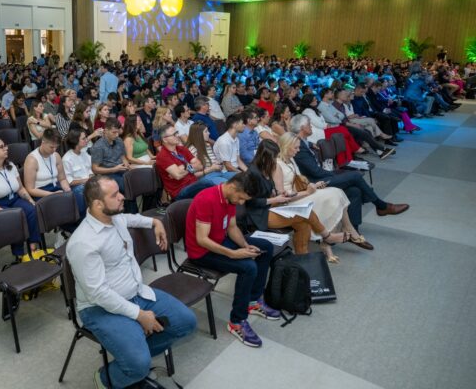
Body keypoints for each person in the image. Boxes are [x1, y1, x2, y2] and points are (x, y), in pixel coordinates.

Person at [66, 175, 197, 389]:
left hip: (136, 294)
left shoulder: (113, 217)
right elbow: (98, 294)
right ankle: (107, 378)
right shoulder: (83, 243)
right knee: (138, 364)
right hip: (100, 308)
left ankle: (135, 355)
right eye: (115, 195)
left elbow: (131, 218)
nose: (123, 197)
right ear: (98, 204)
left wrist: (155, 222)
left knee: (186, 322)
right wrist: (139, 315)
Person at [185, 171, 278, 348]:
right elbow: (202, 240)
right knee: (248, 267)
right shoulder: (206, 199)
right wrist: (233, 254)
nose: (241, 203)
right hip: (202, 252)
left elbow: (232, 227)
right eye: (241, 199)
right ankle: (237, 321)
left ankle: (252, 301)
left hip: (219, 240)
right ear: (233, 187)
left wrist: (244, 245)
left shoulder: (230, 198)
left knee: (265, 247)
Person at [290, 115, 409, 233]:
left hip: (320, 177)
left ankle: (354, 231)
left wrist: (311, 145)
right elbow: (314, 172)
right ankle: (381, 206)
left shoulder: (303, 142)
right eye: (309, 124)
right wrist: (334, 175)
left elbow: (308, 150)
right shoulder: (299, 146)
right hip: (314, 183)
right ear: (302, 128)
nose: (311, 126)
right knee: (355, 176)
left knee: (354, 191)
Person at [247, 139, 351, 263]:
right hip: (260, 215)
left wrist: (278, 194)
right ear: (265, 157)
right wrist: (275, 198)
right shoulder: (252, 173)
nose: (275, 161)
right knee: (305, 213)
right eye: (273, 157)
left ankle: (302, 258)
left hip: (271, 208)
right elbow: (252, 202)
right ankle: (327, 237)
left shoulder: (264, 169)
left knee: (304, 223)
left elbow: (268, 192)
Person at [277, 132, 373, 259]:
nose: (298, 150)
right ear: (286, 146)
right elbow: (282, 196)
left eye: (299, 147)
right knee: (334, 195)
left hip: (301, 194)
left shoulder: (290, 160)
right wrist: (307, 191)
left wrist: (314, 186)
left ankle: (340, 232)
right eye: (295, 147)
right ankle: (334, 237)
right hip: (290, 202)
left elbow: (299, 182)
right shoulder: (277, 164)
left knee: (337, 192)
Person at [0, 136, 40, 256]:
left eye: (5, 145)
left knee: (31, 209)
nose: (6, 148)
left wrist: (30, 200)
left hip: (13, 199)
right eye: (1, 147)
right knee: (15, 217)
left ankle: (33, 246)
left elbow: (20, 188)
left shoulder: (10, 165)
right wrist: (1, 212)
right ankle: (19, 254)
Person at [155, 124, 218, 201]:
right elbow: (178, 175)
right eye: (174, 134)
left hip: (193, 183)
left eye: (177, 132)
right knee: (207, 183)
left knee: (212, 189)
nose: (177, 135)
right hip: (180, 191)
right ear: (165, 139)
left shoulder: (182, 149)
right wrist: (190, 167)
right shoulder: (162, 156)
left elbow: (200, 165)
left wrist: (184, 167)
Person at [23, 128, 73, 198]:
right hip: (41, 192)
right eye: (51, 147)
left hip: (56, 187)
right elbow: (30, 189)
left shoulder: (56, 156)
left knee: (71, 197)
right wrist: (52, 195)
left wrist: (67, 189)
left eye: (56, 147)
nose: (54, 150)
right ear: (43, 142)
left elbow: (62, 179)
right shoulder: (32, 160)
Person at [91, 118, 131, 195]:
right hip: (107, 174)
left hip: (121, 169)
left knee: (137, 180)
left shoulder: (119, 140)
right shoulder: (98, 146)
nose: (117, 135)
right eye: (114, 132)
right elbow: (95, 169)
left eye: (118, 132)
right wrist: (114, 169)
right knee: (127, 186)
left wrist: (127, 165)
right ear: (106, 131)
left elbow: (122, 156)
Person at [62, 127, 93, 217]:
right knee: (81, 190)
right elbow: (70, 181)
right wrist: (87, 180)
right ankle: (82, 218)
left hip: (88, 182)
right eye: (83, 138)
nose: (86, 140)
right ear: (76, 141)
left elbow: (90, 169)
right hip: (76, 187)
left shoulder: (84, 152)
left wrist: (90, 176)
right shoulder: (67, 159)